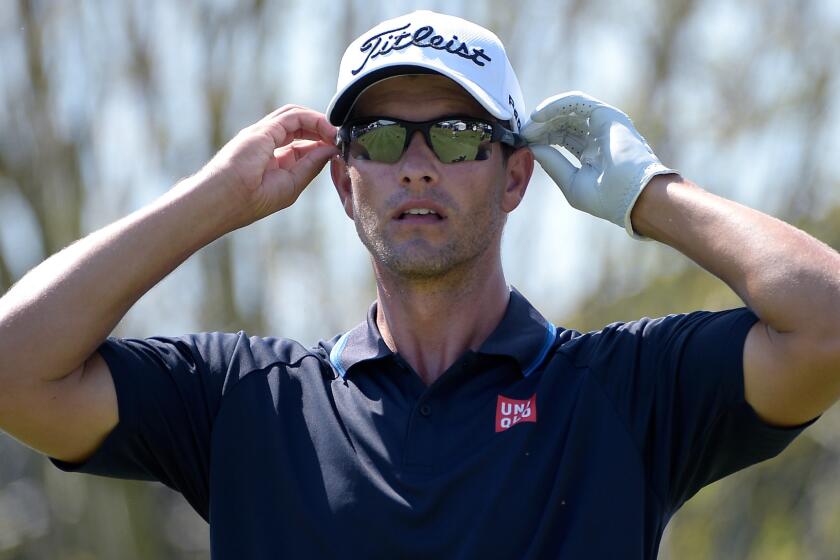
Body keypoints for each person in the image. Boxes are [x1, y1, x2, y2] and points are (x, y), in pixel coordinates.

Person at [0, 9, 837, 559]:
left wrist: (650, 195)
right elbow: (15, 366)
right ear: (342, 178)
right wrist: (212, 200)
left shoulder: (623, 392)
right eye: (384, 136)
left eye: (461, 136)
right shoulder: (247, 403)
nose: (420, 166)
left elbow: (826, 325)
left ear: (516, 178)